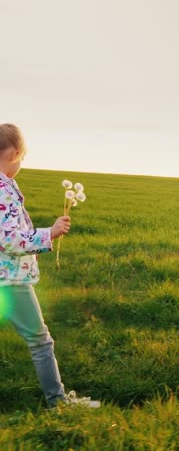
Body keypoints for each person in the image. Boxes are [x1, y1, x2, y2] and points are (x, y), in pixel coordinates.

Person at [0, 123, 100, 408]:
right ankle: (58, 403)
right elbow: (9, 240)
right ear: (16, 153)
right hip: (10, 281)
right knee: (40, 341)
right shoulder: (3, 189)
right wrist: (50, 232)